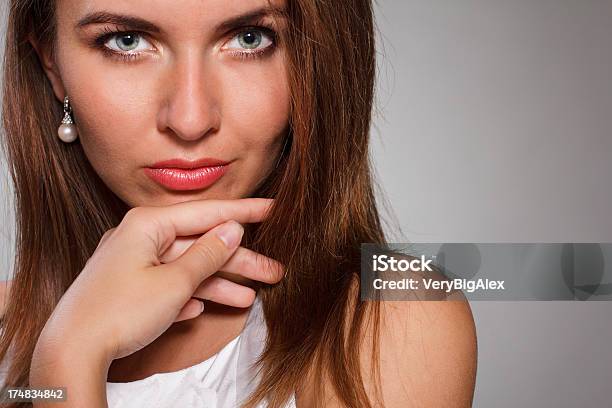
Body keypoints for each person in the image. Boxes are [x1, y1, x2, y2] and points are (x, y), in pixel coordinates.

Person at [0, 0, 478, 407]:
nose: (190, 120)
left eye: (250, 39)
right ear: (52, 67)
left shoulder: (388, 320)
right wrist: (69, 347)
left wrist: (68, 361)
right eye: (126, 41)